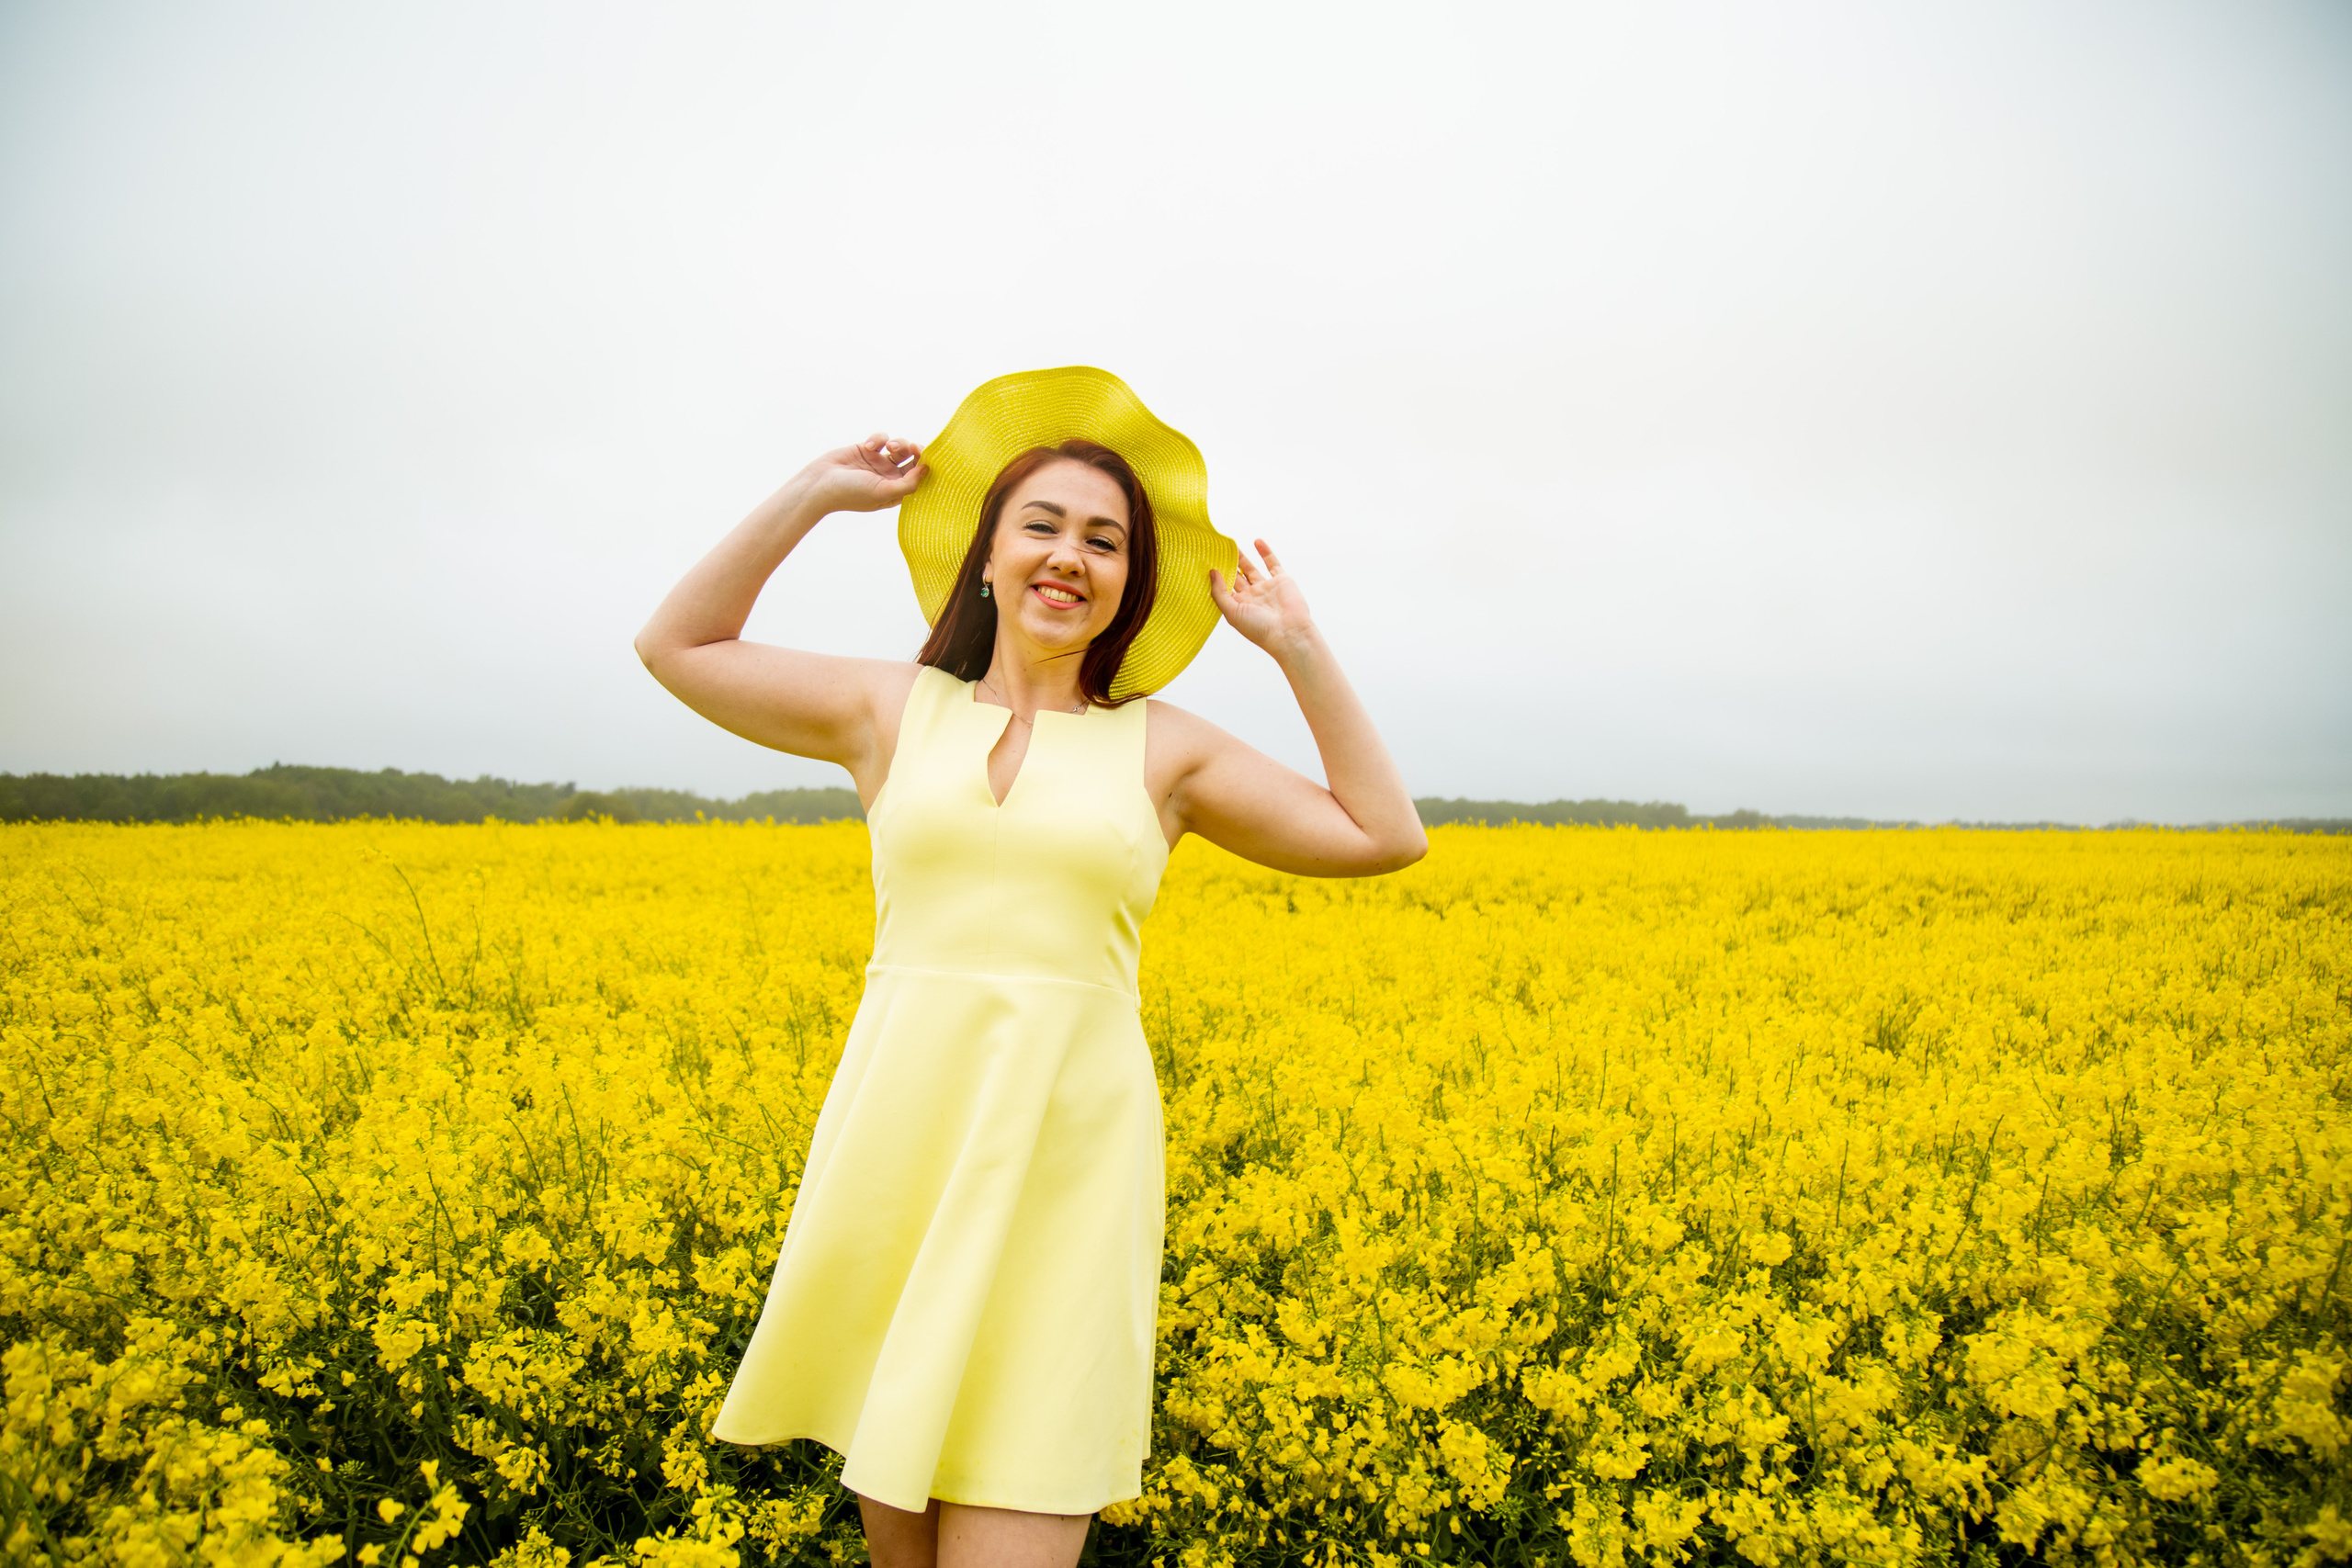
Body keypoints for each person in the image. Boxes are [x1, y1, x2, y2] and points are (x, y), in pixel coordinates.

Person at [633, 367, 1426, 1568]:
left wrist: (1296, 646)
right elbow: (676, 644)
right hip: (904, 1154)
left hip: (1067, 1176)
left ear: (1128, 585)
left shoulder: (1167, 752)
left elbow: (1383, 836)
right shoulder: (889, 712)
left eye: (1106, 541)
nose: (1071, 555)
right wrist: (814, 491)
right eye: (1042, 526)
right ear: (988, 558)